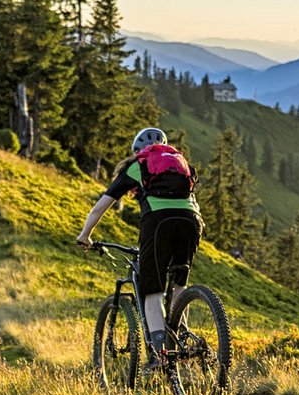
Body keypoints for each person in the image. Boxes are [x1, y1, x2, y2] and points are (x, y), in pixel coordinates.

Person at [75, 126, 203, 357]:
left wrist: (85, 235)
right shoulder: (181, 163)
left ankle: (159, 354)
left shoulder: (137, 165)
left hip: (158, 222)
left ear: (137, 151)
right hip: (192, 221)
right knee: (178, 284)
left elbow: (100, 207)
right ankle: (183, 340)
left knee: (152, 290)